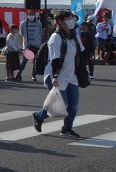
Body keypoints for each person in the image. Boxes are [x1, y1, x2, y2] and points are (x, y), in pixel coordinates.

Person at [32, 10, 89, 138]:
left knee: (73, 105)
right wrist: (55, 77)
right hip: (56, 74)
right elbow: (55, 60)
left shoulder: (74, 35)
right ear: (60, 22)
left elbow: (81, 52)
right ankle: (38, 116)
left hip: (71, 74)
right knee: (58, 104)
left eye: (72, 18)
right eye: (68, 19)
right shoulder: (56, 37)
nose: (72, 21)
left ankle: (67, 128)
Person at [21, 9, 45, 82]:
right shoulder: (24, 23)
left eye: (32, 14)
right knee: (24, 61)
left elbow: (40, 32)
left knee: (35, 61)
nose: (31, 16)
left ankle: (33, 75)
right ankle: (19, 74)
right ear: (27, 15)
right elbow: (21, 33)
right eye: (29, 14)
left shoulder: (39, 23)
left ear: (35, 15)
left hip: (37, 45)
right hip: (28, 45)